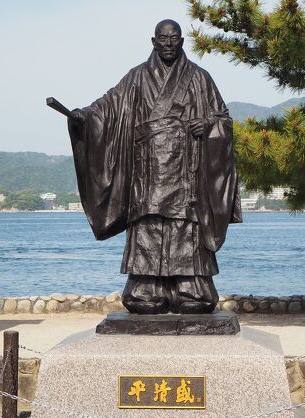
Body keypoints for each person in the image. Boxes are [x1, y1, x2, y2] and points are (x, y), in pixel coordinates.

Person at [68, 19, 241, 314]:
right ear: (153, 41)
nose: (169, 44)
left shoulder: (200, 78)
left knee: (185, 225)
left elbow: (223, 119)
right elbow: (108, 105)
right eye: (163, 39)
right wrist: (85, 117)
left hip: (186, 169)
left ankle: (191, 288)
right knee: (149, 222)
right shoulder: (136, 77)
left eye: (174, 39)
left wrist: (209, 125)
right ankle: (147, 288)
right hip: (147, 170)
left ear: (182, 41)